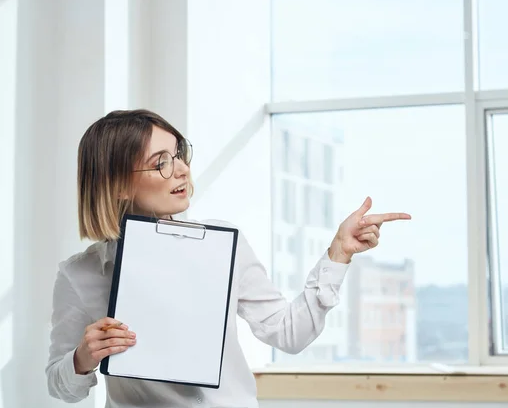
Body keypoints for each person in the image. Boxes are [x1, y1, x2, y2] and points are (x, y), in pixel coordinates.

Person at [45, 109, 411, 407]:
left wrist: (338, 253)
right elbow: (61, 387)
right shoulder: (80, 275)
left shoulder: (223, 244)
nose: (183, 170)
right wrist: (82, 358)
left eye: (179, 154)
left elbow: (289, 333)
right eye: (161, 163)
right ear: (119, 184)